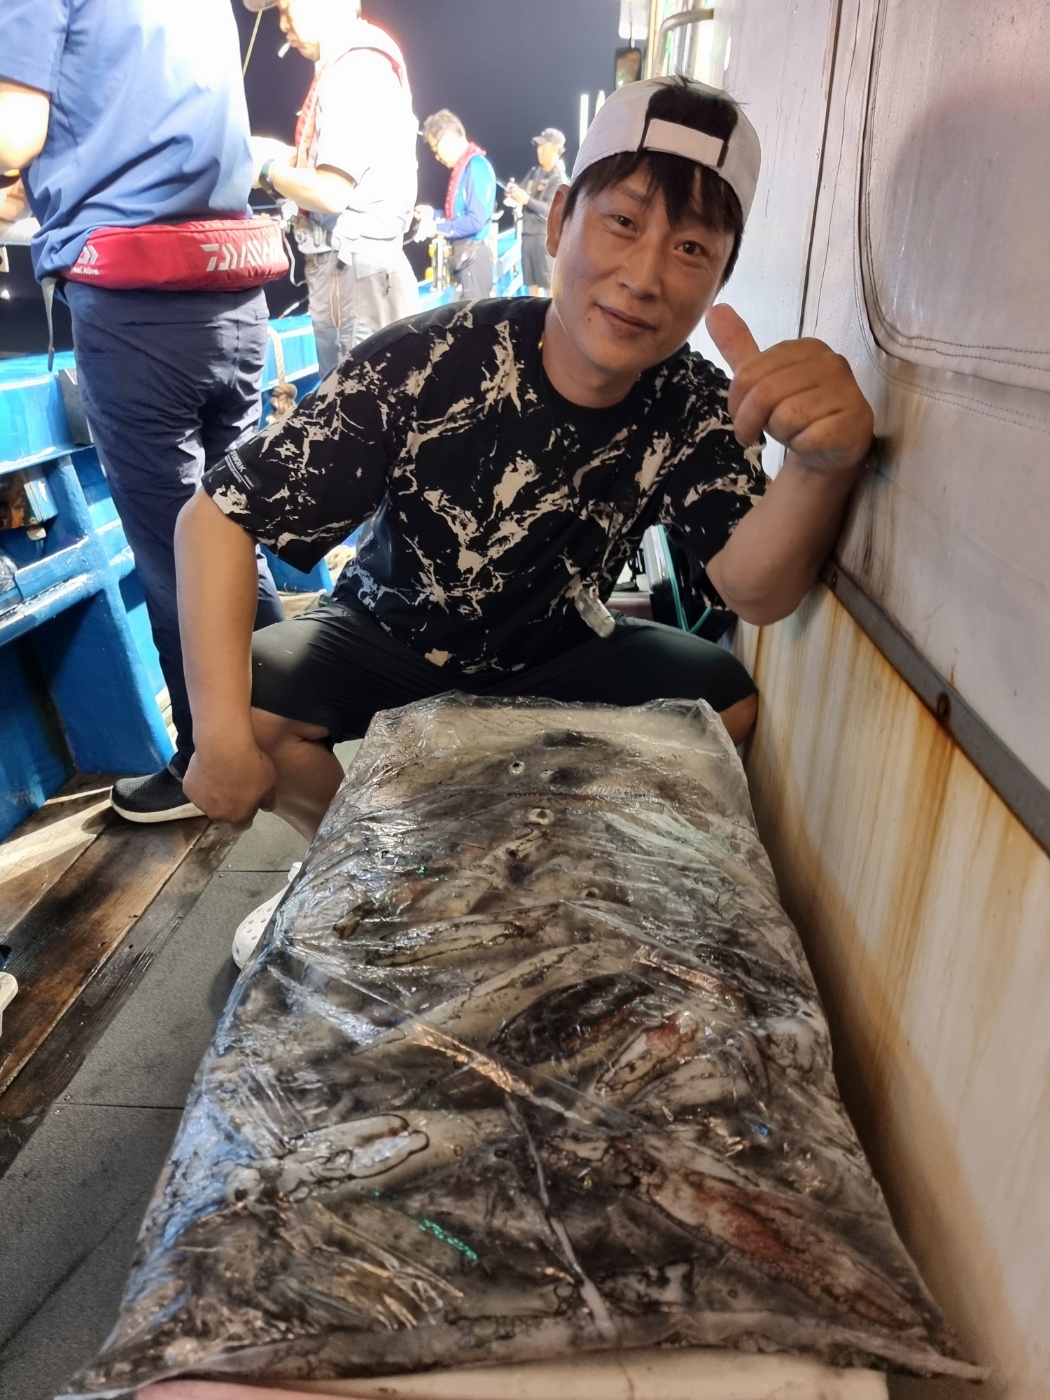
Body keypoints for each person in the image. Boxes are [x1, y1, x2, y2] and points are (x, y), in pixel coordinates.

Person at [175, 77, 875, 878]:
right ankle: (370, 872)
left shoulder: (695, 404)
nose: (644, 277)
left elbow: (755, 592)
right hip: (390, 640)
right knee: (250, 706)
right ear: (560, 219)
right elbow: (216, 516)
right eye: (623, 222)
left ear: (721, 277)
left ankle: (544, 850)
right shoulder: (427, 357)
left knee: (725, 700)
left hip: (558, 652)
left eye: (691, 249)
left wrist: (819, 469)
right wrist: (217, 740)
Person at [0, 0, 287, 824]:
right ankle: (288, 731)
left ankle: (211, 762)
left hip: (137, 305)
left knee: (175, 553)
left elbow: (14, 134)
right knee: (234, 530)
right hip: (236, 294)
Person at [247, 0, 420, 381]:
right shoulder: (357, 62)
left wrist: (264, 169)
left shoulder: (355, 68)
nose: (281, 25)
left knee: (357, 409)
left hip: (354, 279)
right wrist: (284, 158)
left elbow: (331, 194)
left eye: (284, 7)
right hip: (360, 277)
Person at [417, 110, 497, 300]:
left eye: (436, 149)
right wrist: (433, 214)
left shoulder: (477, 166)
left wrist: (436, 228)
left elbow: (475, 221)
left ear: (448, 139)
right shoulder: (464, 168)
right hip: (463, 261)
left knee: (474, 317)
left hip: (474, 262)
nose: (437, 157)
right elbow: (457, 215)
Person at [505, 126, 568, 295]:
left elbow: (549, 209)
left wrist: (526, 199)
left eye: (543, 147)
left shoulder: (559, 178)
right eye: (538, 147)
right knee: (531, 285)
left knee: (550, 287)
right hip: (527, 235)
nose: (539, 151)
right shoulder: (534, 172)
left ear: (555, 149)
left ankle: (552, 313)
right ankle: (535, 312)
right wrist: (513, 192)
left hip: (544, 239)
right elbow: (522, 190)